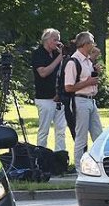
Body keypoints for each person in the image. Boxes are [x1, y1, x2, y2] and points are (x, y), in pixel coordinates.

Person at [65, 31, 102, 171]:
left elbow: (88, 78)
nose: (94, 45)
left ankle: (99, 165)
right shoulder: (73, 62)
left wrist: (94, 73)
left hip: (91, 100)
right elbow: (68, 87)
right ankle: (80, 169)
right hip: (80, 100)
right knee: (81, 136)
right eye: (92, 42)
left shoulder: (87, 60)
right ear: (86, 44)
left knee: (98, 135)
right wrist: (88, 82)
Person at [31, 28, 67, 152]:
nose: (57, 42)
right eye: (55, 39)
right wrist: (59, 59)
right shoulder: (38, 54)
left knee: (61, 130)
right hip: (44, 98)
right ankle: (41, 157)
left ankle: (60, 156)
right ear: (46, 40)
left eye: (59, 39)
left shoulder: (58, 54)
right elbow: (43, 73)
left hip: (59, 97)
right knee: (44, 130)